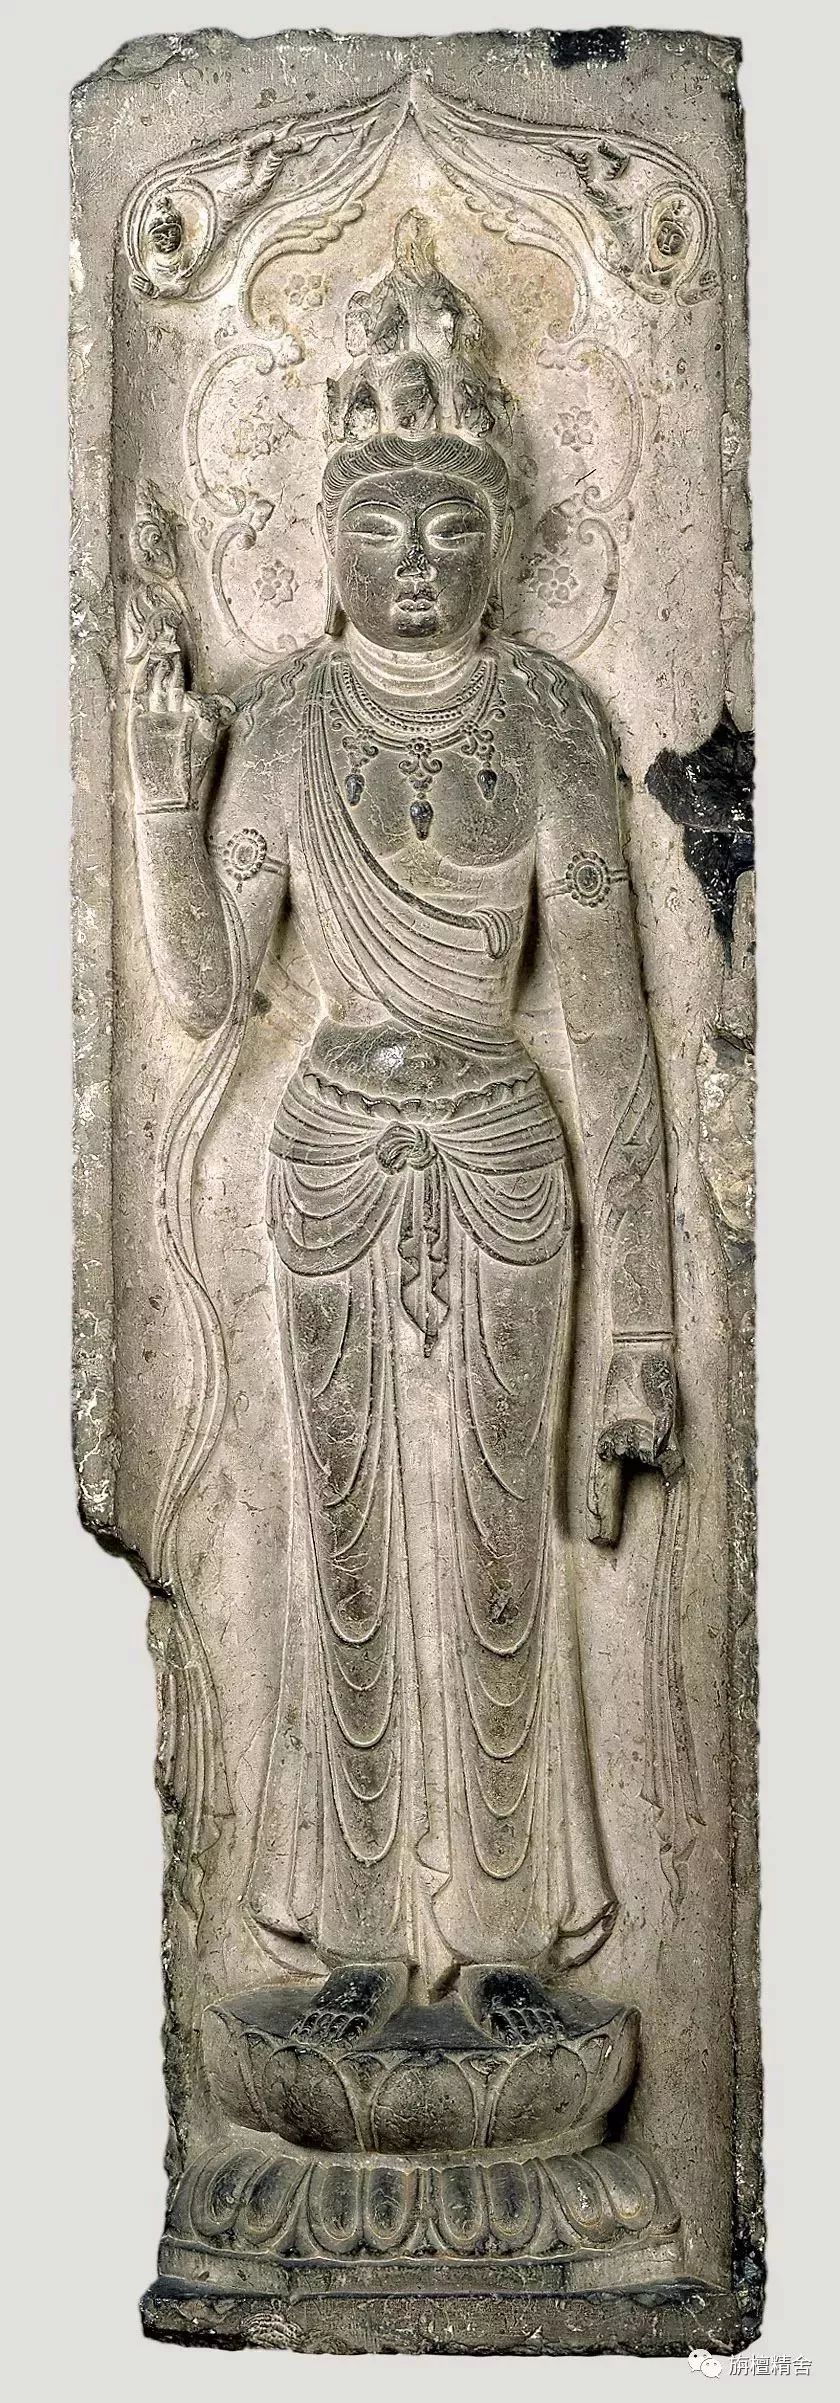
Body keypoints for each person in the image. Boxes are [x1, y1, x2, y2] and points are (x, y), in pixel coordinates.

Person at [130, 216, 678, 2019]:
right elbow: (208, 996)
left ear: (507, 536)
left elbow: (613, 1039)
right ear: (328, 535)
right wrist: (162, 797)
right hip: (334, 1165)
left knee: (503, 1543)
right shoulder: (289, 726)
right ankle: (358, 1937)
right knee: (350, 1540)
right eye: (383, 527)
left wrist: (645, 1342)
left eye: (452, 527)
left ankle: (511, 1938)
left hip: (510, 1167)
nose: (419, 561)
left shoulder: (555, 725)